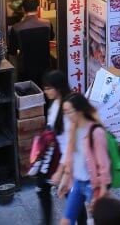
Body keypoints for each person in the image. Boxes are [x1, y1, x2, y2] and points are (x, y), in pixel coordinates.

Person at [38, 71, 85, 225]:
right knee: (44, 189)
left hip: (68, 160)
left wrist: (61, 171)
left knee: (72, 196)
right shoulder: (56, 104)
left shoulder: (66, 110)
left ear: (57, 88)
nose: (45, 91)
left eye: (48, 88)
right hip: (57, 156)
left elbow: (69, 144)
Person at [57, 94, 111, 225]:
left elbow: (103, 164)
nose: (67, 116)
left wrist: (103, 190)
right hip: (77, 182)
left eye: (69, 111)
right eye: (65, 112)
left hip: (92, 185)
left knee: (99, 220)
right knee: (67, 220)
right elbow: (70, 156)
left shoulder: (96, 132)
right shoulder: (73, 128)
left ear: (80, 111)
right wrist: (65, 179)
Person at [8, 0, 54, 87]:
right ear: (38, 8)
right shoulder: (47, 24)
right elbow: (51, 37)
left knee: (29, 92)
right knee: (44, 91)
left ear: (23, 9)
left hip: (25, 69)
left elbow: (12, 51)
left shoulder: (16, 27)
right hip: (45, 67)